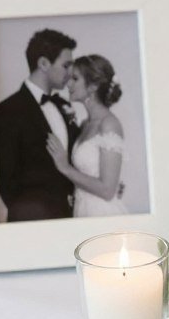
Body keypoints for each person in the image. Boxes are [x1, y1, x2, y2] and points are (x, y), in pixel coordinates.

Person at [0, 29, 78, 221]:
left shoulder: (64, 106)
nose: (71, 73)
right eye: (66, 65)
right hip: (32, 221)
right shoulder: (6, 111)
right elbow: (4, 177)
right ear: (44, 63)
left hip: (72, 218)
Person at [45, 55, 127, 217]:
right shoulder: (85, 124)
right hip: (81, 210)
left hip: (102, 213)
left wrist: (65, 167)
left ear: (93, 86)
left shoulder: (109, 124)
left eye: (75, 79)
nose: (68, 84)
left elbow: (107, 190)